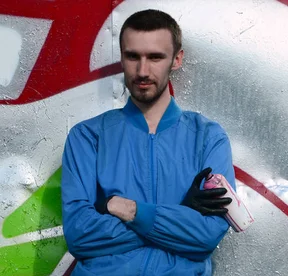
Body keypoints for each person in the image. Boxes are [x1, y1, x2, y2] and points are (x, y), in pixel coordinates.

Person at [61, 9, 234, 275]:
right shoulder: (87, 137)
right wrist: (180, 214)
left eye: (155, 57)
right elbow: (79, 237)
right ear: (121, 58)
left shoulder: (208, 137)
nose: (142, 71)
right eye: (133, 57)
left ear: (176, 60)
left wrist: (126, 209)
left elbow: (207, 236)